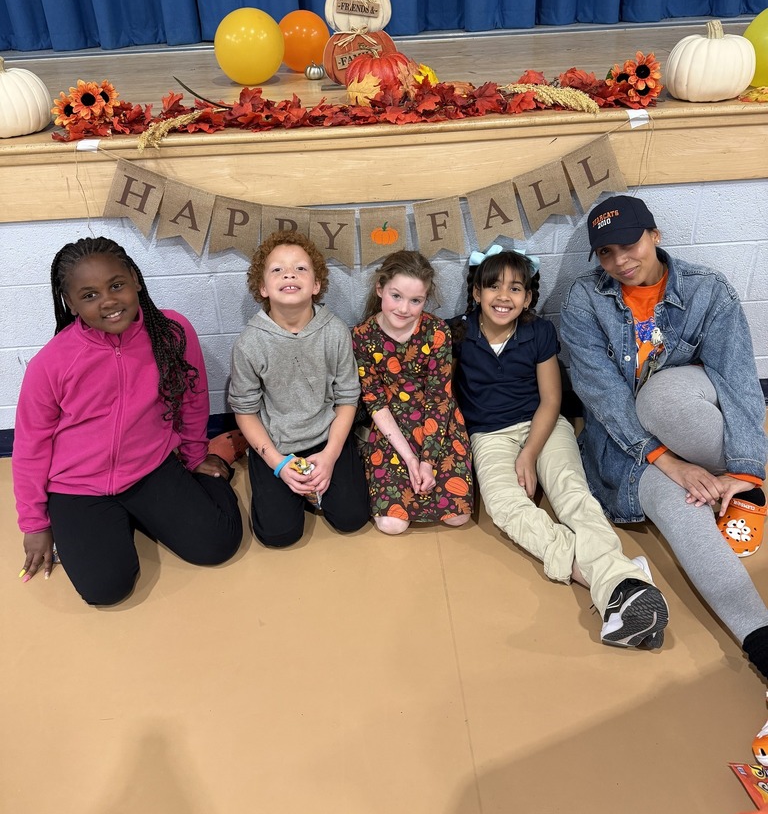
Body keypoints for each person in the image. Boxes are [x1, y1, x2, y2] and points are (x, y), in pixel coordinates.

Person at [559, 194, 768, 758]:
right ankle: (762, 640)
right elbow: (600, 394)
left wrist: (747, 469)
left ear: (654, 234)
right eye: (606, 253)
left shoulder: (708, 289)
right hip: (631, 449)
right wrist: (668, 464)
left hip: (690, 413)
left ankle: (736, 484)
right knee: (684, 514)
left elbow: (740, 384)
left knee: (664, 394)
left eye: (629, 244)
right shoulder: (585, 300)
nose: (621, 261)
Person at [452, 246, 669, 648]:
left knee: (573, 494)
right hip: (490, 436)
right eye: (493, 287)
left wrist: (530, 453)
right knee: (505, 506)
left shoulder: (538, 332)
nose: (504, 296)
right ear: (476, 293)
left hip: (545, 426)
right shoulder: (458, 334)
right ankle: (617, 579)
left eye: (516, 288)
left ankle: (617, 584)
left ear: (528, 298)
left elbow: (551, 400)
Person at [12, 236, 244, 606]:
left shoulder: (171, 332)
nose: (108, 301)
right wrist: (35, 524)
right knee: (106, 590)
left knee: (218, 545)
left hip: (151, 468)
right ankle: (119, 519)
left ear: (135, 279)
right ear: (69, 303)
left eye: (116, 285)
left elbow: (194, 396)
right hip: (78, 487)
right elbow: (29, 447)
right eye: (88, 295)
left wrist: (196, 455)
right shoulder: (51, 363)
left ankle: (220, 457)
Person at [229, 231, 369, 547]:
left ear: (316, 285)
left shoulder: (334, 332)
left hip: (328, 436)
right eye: (277, 269)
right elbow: (245, 411)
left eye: (301, 269)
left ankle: (318, 485)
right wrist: (278, 463)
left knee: (351, 519)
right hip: (277, 444)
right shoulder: (249, 344)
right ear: (263, 287)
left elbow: (348, 397)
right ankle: (286, 481)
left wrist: (331, 455)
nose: (289, 274)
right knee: (278, 535)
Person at [352, 250, 474, 534]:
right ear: (380, 289)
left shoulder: (436, 331)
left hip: (438, 422)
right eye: (396, 296)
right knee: (392, 524)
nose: (404, 309)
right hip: (391, 422)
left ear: (425, 299)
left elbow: (439, 399)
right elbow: (374, 400)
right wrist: (410, 459)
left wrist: (428, 463)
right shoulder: (362, 336)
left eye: (415, 300)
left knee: (458, 516)